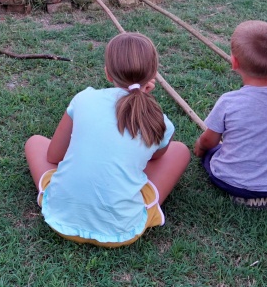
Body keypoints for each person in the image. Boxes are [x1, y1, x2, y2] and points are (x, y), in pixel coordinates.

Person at [24, 32, 190, 247]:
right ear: (153, 74)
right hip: (122, 231)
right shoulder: (161, 121)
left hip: (60, 218)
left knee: (35, 142)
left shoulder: (84, 98)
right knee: (179, 151)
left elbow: (54, 156)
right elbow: (156, 158)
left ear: (107, 73)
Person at [193, 20, 267, 212]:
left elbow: (208, 141)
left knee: (212, 153)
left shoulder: (229, 101)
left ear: (234, 62)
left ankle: (245, 194)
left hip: (228, 180)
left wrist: (201, 149)